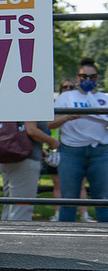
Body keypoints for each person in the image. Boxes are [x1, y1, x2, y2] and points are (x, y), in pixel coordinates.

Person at [49, 58, 108, 222]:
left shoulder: (105, 97)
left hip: (101, 151)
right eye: (83, 76)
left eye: (92, 76)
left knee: (103, 197)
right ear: (77, 78)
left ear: (97, 78)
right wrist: (68, 117)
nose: (88, 80)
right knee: (68, 198)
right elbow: (50, 123)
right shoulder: (66, 97)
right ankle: (65, 237)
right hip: (71, 151)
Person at [0, 122, 60, 221]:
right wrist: (53, 142)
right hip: (25, 158)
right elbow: (31, 130)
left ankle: (6, 233)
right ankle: (17, 234)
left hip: (9, 153)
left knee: (10, 205)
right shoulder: (31, 106)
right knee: (21, 207)